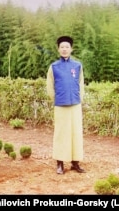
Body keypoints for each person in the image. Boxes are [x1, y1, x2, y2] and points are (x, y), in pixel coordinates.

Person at [46, 36, 85, 175]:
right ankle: (60, 163)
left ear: (71, 49)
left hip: (75, 105)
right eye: (62, 47)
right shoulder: (54, 67)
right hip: (61, 105)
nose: (64, 49)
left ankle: (75, 162)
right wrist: (57, 99)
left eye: (67, 47)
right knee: (61, 133)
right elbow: (50, 86)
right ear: (58, 49)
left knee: (75, 133)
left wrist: (78, 99)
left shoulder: (77, 66)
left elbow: (81, 84)